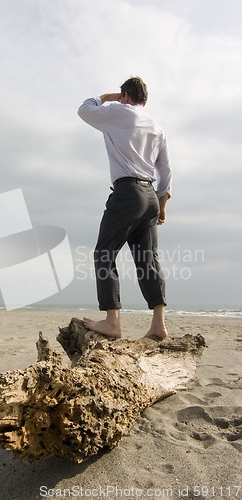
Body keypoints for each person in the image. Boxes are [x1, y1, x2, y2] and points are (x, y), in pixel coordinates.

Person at [78, 76, 172, 340]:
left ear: (126, 96)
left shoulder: (118, 111)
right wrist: (162, 204)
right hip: (151, 196)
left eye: (121, 97)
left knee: (104, 253)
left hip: (128, 193)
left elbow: (84, 109)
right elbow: (166, 169)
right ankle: (158, 324)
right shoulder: (157, 127)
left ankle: (112, 321)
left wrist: (106, 98)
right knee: (148, 261)